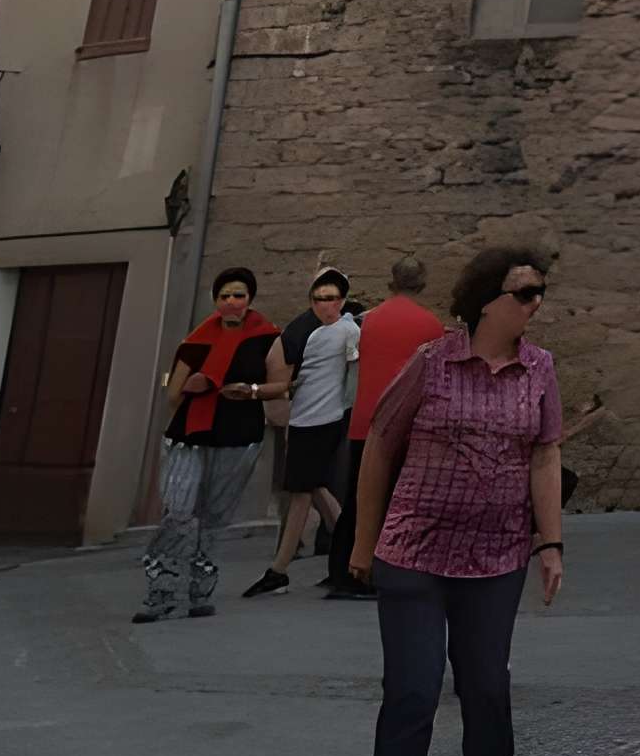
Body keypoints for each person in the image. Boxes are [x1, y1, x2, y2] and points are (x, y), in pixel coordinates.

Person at [351, 244, 565, 756]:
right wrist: (362, 543)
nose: (537, 302)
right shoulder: (432, 361)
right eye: (525, 292)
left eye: (540, 291)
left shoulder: (540, 367)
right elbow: (380, 444)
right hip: (415, 551)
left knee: (487, 686)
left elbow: (545, 455)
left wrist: (551, 543)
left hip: (496, 556)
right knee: (414, 690)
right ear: (487, 301)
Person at [137, 266, 290, 625]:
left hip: (238, 437)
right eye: (225, 296)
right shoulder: (195, 341)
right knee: (178, 511)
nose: (232, 302)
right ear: (215, 300)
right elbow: (173, 394)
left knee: (214, 517)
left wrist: (249, 391)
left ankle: (200, 591)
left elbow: (280, 385)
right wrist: (191, 388)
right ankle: (160, 590)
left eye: (239, 295)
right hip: (189, 436)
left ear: (250, 299)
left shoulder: (268, 338)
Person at [331, 256, 446, 597]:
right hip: (405, 427)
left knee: (355, 498)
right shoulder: (430, 325)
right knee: (397, 501)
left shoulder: (369, 321)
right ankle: (383, 570)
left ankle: (341, 571)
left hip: (364, 420)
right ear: (422, 283)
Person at [249, 268, 359, 597]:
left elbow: (354, 374)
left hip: (323, 421)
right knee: (314, 488)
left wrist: (346, 411)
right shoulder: (310, 331)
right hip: (303, 419)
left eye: (331, 298)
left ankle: (278, 570)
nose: (325, 304)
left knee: (301, 491)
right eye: (319, 298)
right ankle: (349, 555)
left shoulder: (348, 331)